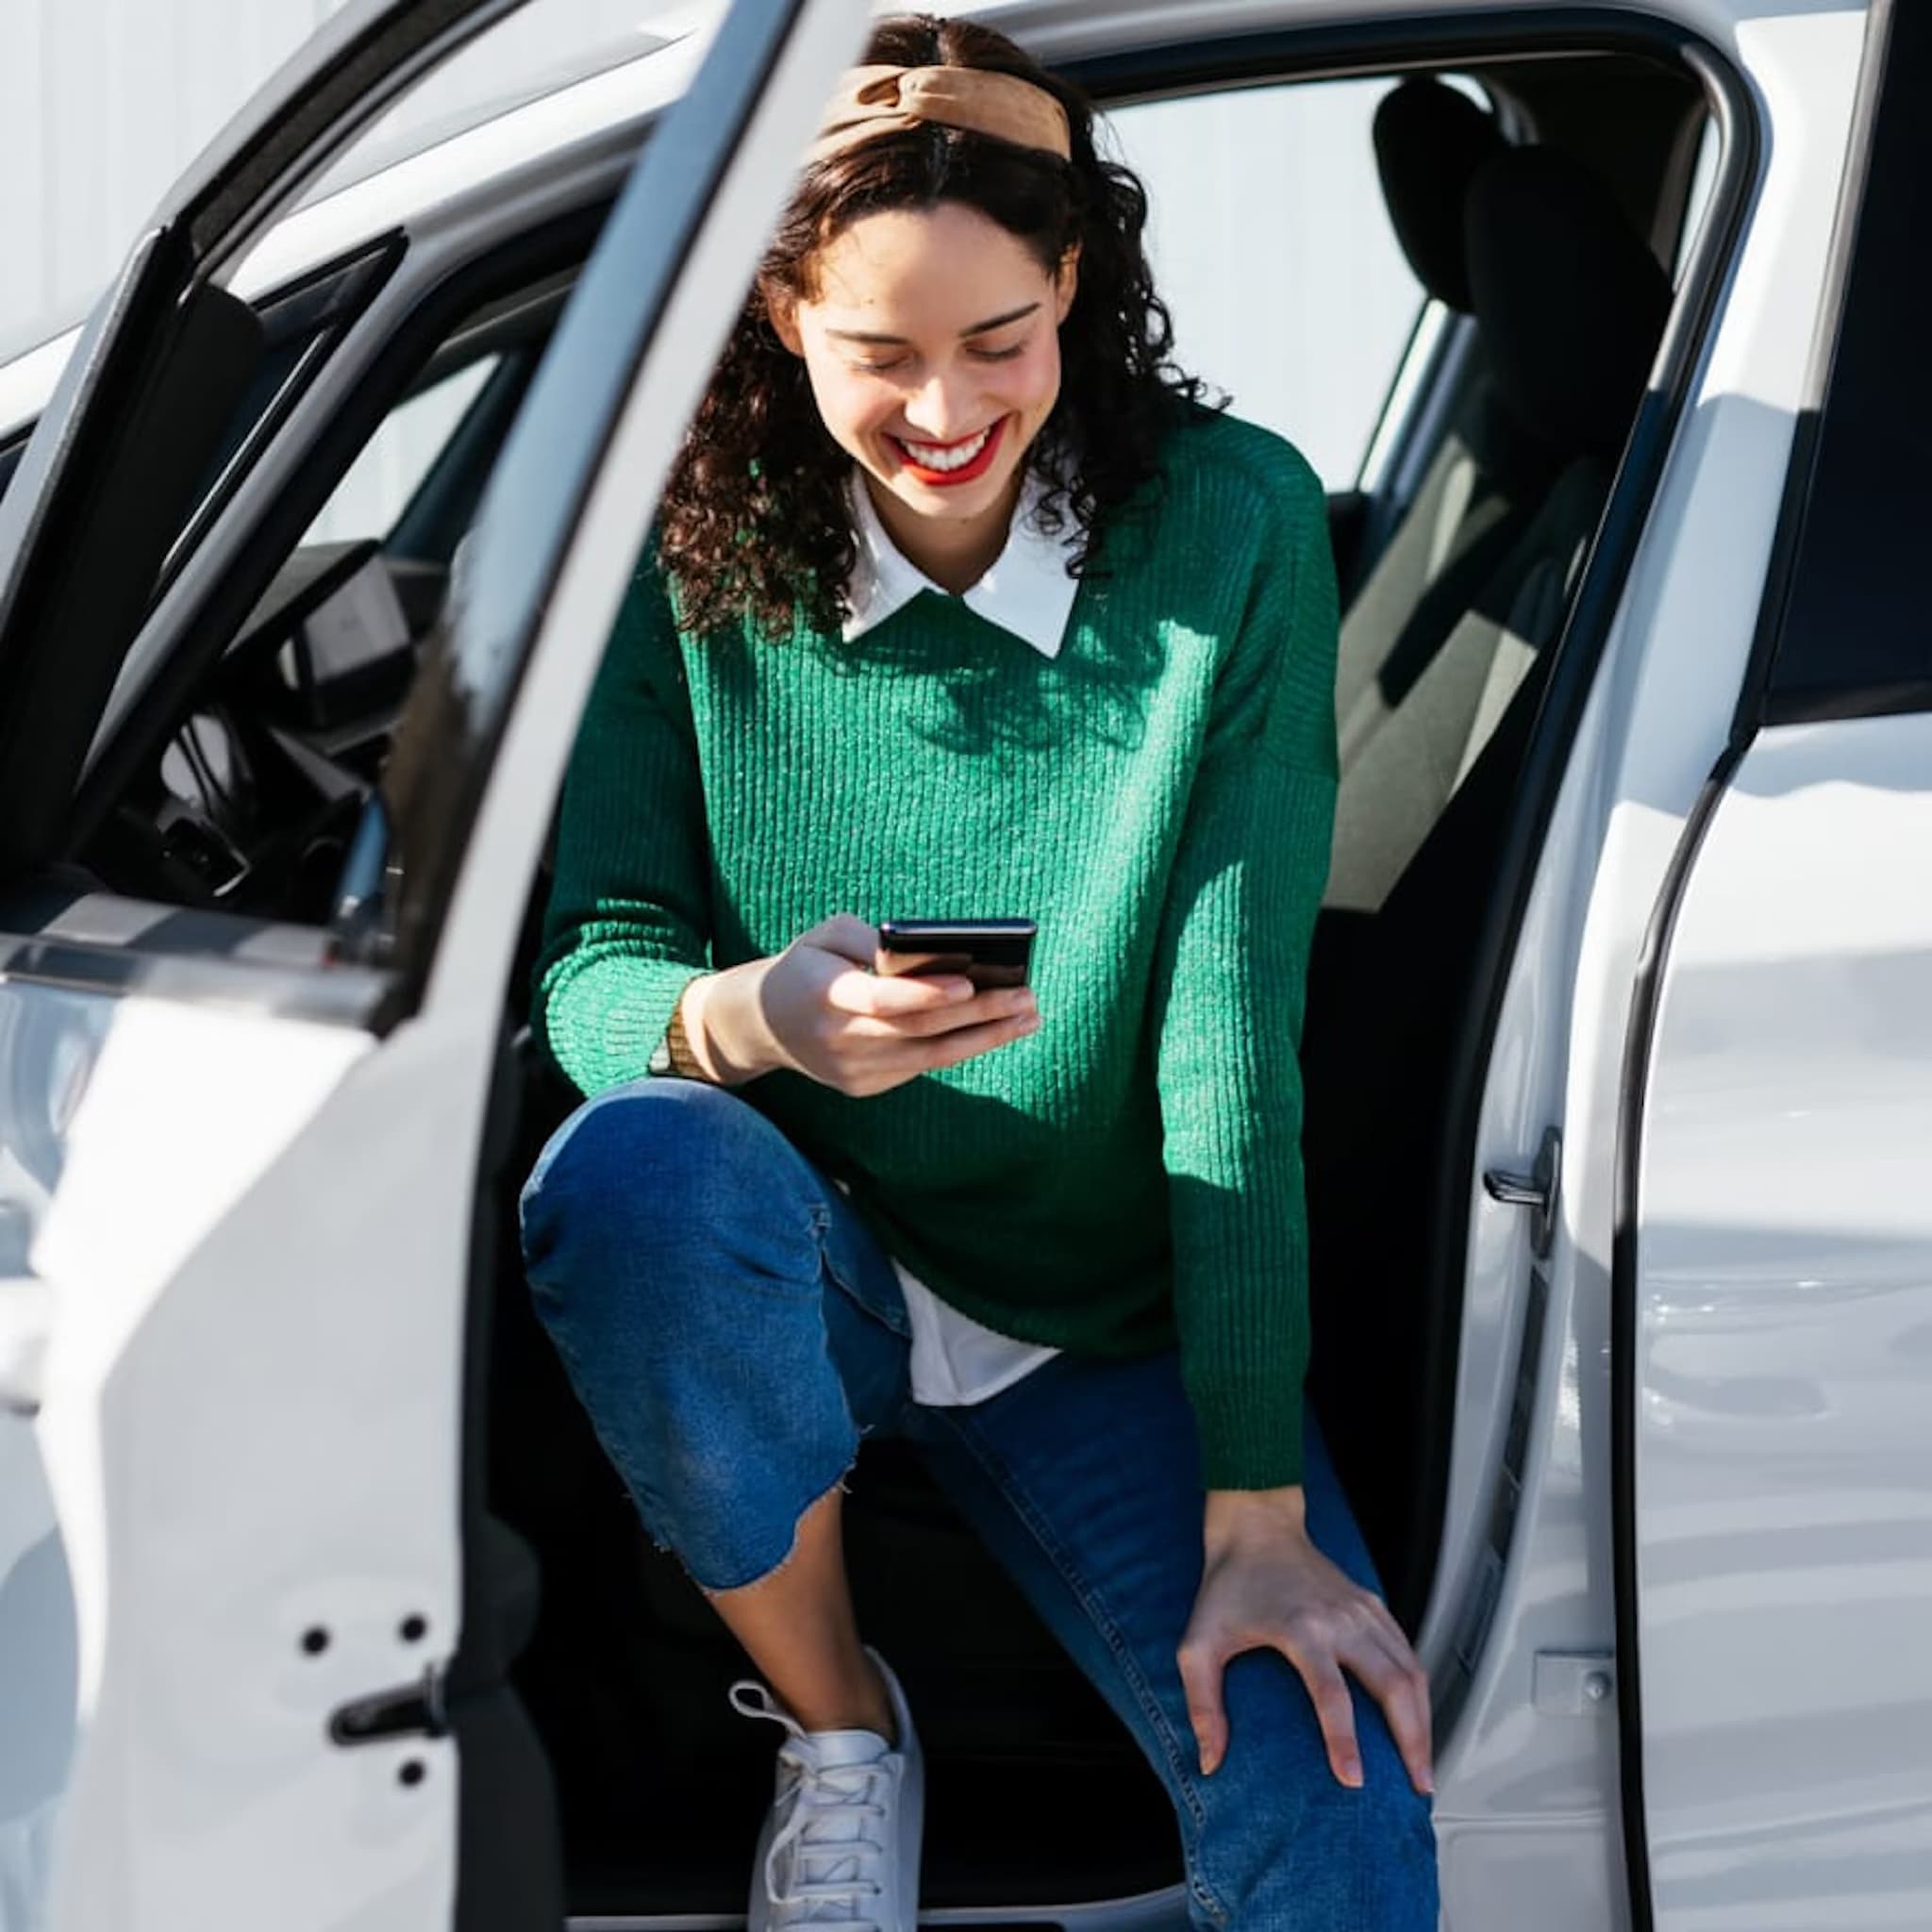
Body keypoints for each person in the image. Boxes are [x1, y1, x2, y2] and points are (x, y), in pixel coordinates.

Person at [518, 14, 1440, 1929]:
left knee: (1342, 1850)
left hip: (1102, 1320)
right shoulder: (668, 547)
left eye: (997, 340)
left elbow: (1223, 1028)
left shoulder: (1227, 518)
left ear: (1075, 286)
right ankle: (845, 1725)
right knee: (630, 1177)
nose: (943, 406)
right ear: (780, 316)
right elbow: (591, 977)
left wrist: (1253, 1511)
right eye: (878, 353)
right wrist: (746, 1019)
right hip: (801, 1253)